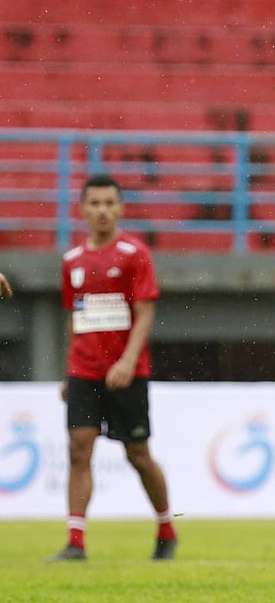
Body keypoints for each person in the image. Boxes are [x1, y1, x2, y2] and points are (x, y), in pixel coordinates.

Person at [48, 173, 177, 562]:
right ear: (83, 209)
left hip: (127, 372)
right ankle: (76, 541)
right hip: (84, 371)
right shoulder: (71, 261)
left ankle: (166, 528)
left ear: (120, 208)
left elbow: (145, 312)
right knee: (78, 449)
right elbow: (75, 318)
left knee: (137, 453)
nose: (102, 210)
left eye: (109, 203)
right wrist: (68, 371)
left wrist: (126, 361)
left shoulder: (134, 254)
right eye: (95, 203)